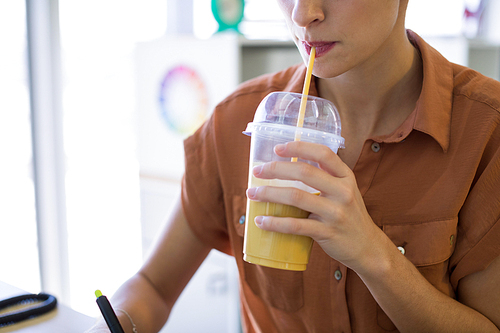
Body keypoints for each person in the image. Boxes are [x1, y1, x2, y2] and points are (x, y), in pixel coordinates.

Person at [87, 0, 500, 332]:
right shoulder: (236, 123)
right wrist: (119, 321)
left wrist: (374, 255)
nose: (304, 14)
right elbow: (153, 287)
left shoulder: (487, 133)